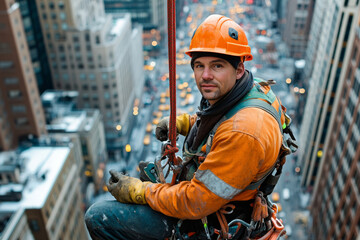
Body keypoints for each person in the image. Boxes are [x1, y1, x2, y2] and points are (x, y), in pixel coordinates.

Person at [85, 14, 289, 240]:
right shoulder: (253, 88)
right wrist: (186, 123)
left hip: (212, 218)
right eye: (199, 66)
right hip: (220, 198)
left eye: (217, 66)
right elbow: (222, 121)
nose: (206, 76)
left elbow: (196, 201)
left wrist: (141, 192)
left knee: (98, 217)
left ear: (239, 69)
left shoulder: (244, 133)